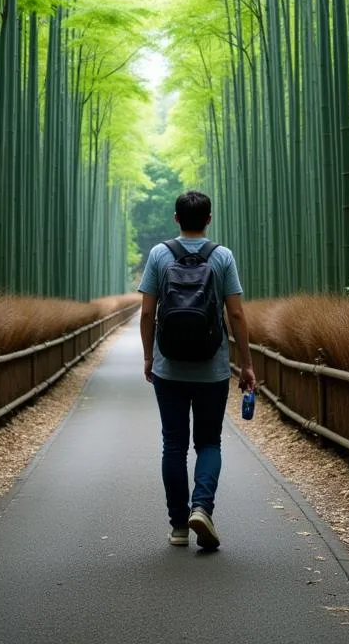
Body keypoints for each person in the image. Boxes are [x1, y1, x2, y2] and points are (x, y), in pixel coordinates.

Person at [138, 190, 256, 550]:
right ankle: (202, 507)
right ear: (208, 219)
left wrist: (148, 357)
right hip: (213, 368)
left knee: (173, 445)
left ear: (176, 218)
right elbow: (235, 314)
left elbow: (146, 313)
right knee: (208, 441)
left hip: (169, 367)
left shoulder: (159, 254)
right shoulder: (222, 256)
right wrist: (246, 364)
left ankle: (178, 527)